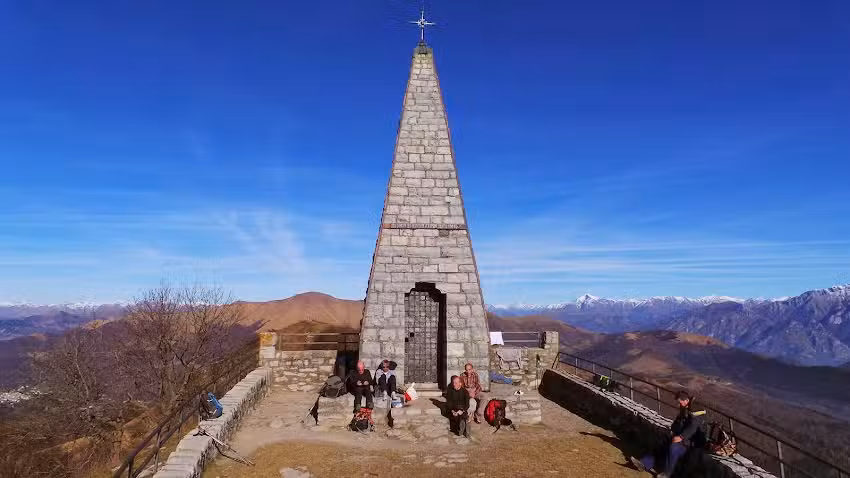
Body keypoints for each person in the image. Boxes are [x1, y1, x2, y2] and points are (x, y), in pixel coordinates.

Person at [629, 391, 706, 478]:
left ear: (686, 400)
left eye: (680, 402)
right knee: (661, 442)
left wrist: (681, 437)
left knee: (674, 447)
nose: (678, 404)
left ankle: (666, 474)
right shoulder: (685, 409)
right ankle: (644, 464)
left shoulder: (696, 412)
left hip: (691, 443)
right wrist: (673, 430)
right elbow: (678, 422)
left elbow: (692, 427)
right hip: (681, 438)